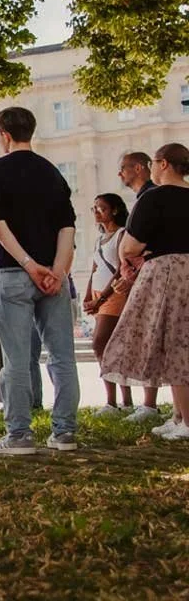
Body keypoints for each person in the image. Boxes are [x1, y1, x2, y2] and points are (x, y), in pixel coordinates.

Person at [0, 107, 79, 455]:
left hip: (13, 273)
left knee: (17, 359)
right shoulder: (52, 171)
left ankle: (19, 435)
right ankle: (65, 432)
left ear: (4, 134)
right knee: (62, 357)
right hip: (53, 277)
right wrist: (56, 270)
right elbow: (67, 226)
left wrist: (28, 264)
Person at [102, 143, 189, 440]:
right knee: (180, 338)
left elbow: (131, 244)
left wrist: (130, 254)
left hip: (166, 270)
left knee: (172, 340)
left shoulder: (155, 197)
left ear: (163, 164)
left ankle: (186, 421)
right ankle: (178, 416)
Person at [117, 151, 161, 423]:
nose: (120, 174)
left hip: (152, 273)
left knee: (153, 337)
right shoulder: (145, 197)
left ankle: (150, 404)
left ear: (138, 168)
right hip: (144, 272)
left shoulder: (151, 197)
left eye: (123, 168)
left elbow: (140, 242)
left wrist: (129, 260)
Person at [82, 193, 133, 415]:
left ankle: (117, 401)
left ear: (114, 210)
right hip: (97, 294)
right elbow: (95, 269)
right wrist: (87, 296)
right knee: (108, 348)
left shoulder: (121, 235)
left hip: (113, 296)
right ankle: (116, 400)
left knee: (100, 343)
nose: (96, 212)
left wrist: (101, 297)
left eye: (100, 208)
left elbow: (120, 269)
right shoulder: (98, 239)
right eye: (94, 208)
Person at [0, 231, 43, 409]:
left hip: (8, 295)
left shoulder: (13, 241)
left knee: (21, 352)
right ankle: (6, 399)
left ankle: (32, 400)